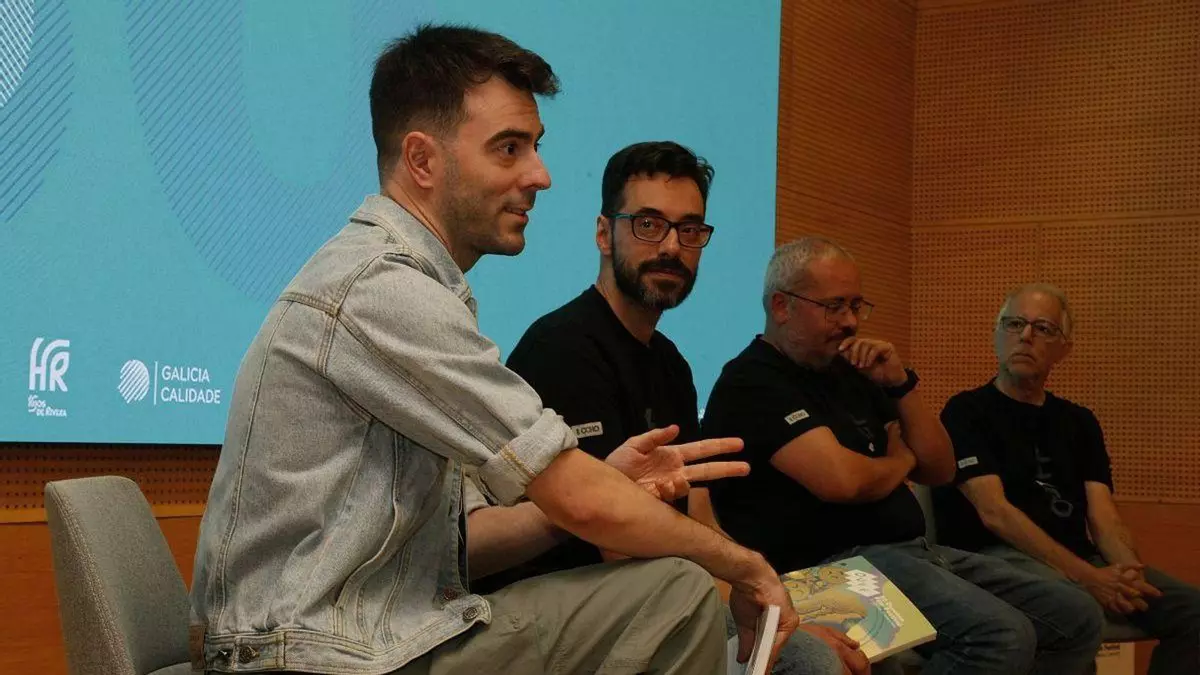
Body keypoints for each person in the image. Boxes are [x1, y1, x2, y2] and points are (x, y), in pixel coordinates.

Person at [189, 24, 797, 675]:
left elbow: (468, 547)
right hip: (303, 655)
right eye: (509, 148)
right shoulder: (382, 288)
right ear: (422, 161)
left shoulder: (413, 286)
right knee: (675, 594)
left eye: (535, 147)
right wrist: (746, 566)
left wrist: (593, 496)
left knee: (668, 589)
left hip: (373, 635)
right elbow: (579, 497)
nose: (541, 175)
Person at [466, 140, 866, 674]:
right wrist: (756, 609)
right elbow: (614, 539)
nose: (672, 247)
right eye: (649, 225)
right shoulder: (564, 348)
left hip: (657, 587)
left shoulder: (671, 363)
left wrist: (770, 604)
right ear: (604, 234)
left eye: (690, 230)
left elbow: (696, 512)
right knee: (811, 662)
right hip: (569, 604)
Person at [702, 237, 1105, 675]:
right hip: (831, 567)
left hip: (912, 552)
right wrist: (900, 460)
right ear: (782, 306)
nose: (850, 321)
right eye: (834, 307)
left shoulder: (851, 372)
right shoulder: (752, 382)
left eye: (856, 306)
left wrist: (900, 385)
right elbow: (844, 482)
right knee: (1001, 636)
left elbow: (940, 467)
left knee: (1078, 617)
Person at [935, 283, 1200, 675]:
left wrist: (1129, 573)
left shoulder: (1079, 421)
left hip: (1077, 558)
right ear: (996, 335)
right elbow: (995, 513)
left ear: (1064, 349)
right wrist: (1088, 578)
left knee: (1192, 611)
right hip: (998, 556)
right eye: (1014, 324)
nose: (1026, 336)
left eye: (1043, 328)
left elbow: (1104, 517)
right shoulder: (965, 411)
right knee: (1076, 608)